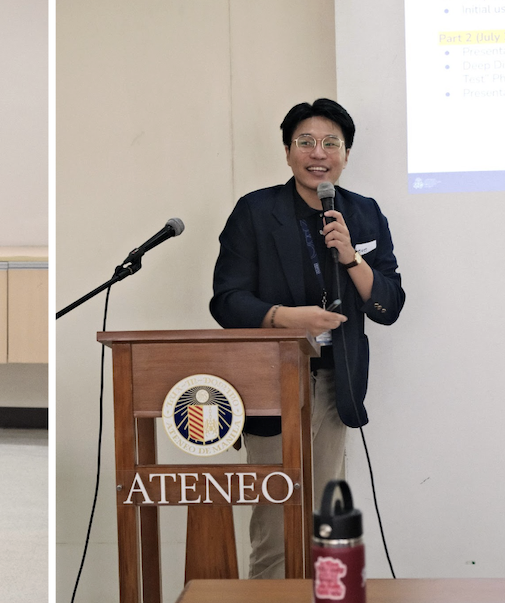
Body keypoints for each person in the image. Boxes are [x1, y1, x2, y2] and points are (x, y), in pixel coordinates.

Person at [209, 98, 404, 579]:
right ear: (287, 150)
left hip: (337, 384)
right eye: (306, 142)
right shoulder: (256, 211)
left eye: (331, 143)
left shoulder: (363, 213)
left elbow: (389, 305)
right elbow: (226, 299)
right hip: (274, 385)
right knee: (275, 524)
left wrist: (352, 258)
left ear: (346, 153)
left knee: (325, 519)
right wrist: (282, 318)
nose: (319, 152)